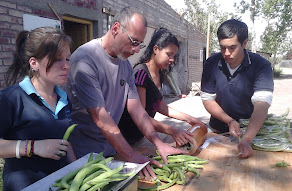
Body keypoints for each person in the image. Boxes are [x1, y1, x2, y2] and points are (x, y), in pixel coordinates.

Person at [65, 7, 187, 181]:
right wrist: (130, 155)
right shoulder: (85, 60)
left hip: (111, 150)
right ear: (115, 29)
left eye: (140, 44)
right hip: (83, 156)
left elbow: (137, 110)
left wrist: (159, 143)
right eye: (133, 42)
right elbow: (100, 117)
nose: (136, 50)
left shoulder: (124, 65)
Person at [0, 27, 76, 191]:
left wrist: (77, 174)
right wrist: (34, 147)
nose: (66, 66)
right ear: (34, 63)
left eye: (68, 59)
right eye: (57, 59)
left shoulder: (64, 98)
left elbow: (65, 141)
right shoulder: (10, 98)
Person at [200, 19, 274, 158]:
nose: (226, 53)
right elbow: (207, 99)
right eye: (222, 47)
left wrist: (246, 139)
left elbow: (262, 104)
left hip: (250, 133)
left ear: (244, 43)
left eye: (232, 47)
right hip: (218, 131)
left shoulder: (261, 66)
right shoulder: (211, 63)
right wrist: (229, 121)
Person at [118, 28, 203, 147]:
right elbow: (141, 115)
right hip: (126, 138)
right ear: (156, 49)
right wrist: (172, 130)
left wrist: (189, 118)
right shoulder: (141, 73)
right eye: (169, 54)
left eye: (174, 55)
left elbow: (161, 107)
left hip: (140, 135)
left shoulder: (160, 74)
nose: (172, 59)